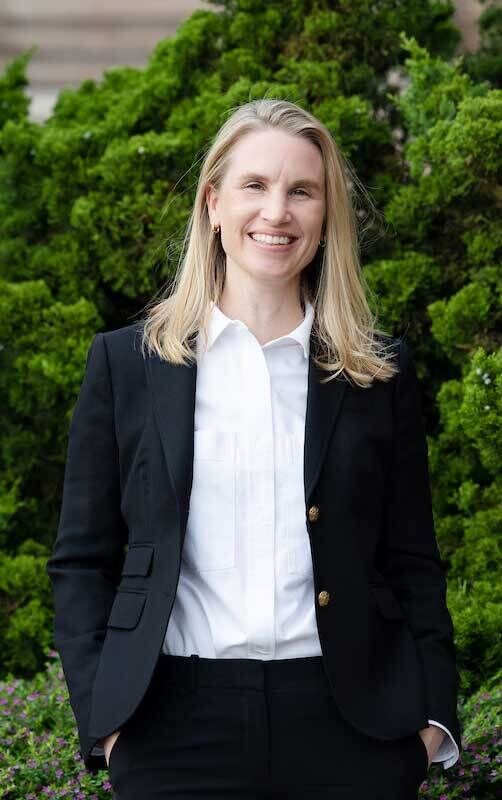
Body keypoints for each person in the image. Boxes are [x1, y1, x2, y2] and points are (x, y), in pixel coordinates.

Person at [46, 98, 462, 799]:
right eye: (254, 186)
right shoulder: (128, 365)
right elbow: (82, 561)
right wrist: (107, 727)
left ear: (326, 215)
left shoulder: (374, 372)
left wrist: (429, 726)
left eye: (302, 191)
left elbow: (412, 559)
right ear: (212, 204)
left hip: (350, 730)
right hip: (173, 731)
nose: (277, 213)